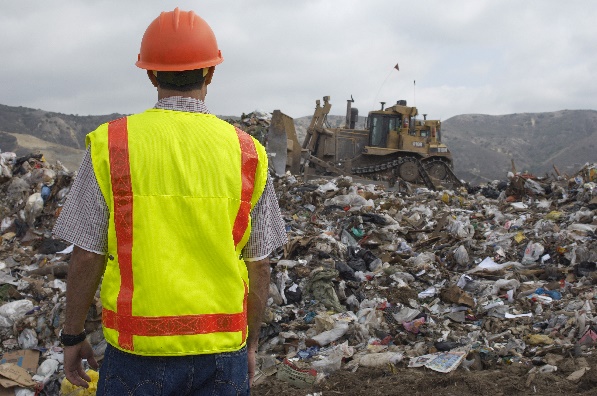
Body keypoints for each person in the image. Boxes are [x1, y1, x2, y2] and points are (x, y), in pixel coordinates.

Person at [53, 8, 287, 395]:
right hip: (222, 351)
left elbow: (86, 255)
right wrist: (251, 343)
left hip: (136, 352)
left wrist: (72, 335)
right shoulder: (248, 151)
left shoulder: (113, 144)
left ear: (150, 73)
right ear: (210, 73)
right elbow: (259, 264)